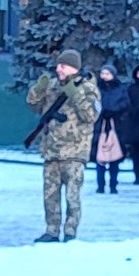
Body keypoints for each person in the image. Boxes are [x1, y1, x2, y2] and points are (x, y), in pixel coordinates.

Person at [27, 51, 99, 241]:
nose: (58, 69)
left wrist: (75, 94)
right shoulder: (52, 86)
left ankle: (70, 231)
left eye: (63, 66)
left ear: (74, 68)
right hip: (52, 151)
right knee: (50, 195)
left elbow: (91, 115)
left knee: (72, 196)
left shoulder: (88, 88)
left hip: (75, 151)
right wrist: (37, 90)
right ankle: (51, 230)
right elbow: (35, 107)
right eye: (58, 66)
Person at [90, 65, 128, 194]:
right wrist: (100, 113)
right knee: (100, 158)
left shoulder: (120, 89)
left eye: (108, 73)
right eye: (103, 73)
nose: (105, 76)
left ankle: (113, 185)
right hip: (99, 125)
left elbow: (125, 105)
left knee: (114, 158)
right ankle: (100, 185)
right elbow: (91, 104)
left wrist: (115, 112)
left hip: (116, 126)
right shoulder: (96, 89)